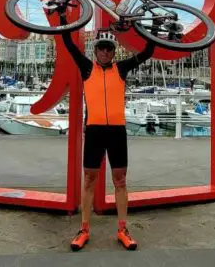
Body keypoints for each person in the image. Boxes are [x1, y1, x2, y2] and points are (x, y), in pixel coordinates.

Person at [59, 15, 156, 251]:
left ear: (113, 52)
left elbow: (146, 53)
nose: (105, 52)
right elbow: (69, 45)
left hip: (117, 132)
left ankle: (123, 229)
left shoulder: (121, 69)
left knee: (120, 181)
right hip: (94, 131)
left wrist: (151, 30)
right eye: (101, 48)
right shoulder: (87, 68)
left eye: (109, 49)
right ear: (96, 51)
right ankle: (84, 229)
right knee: (89, 180)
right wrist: (63, 18)